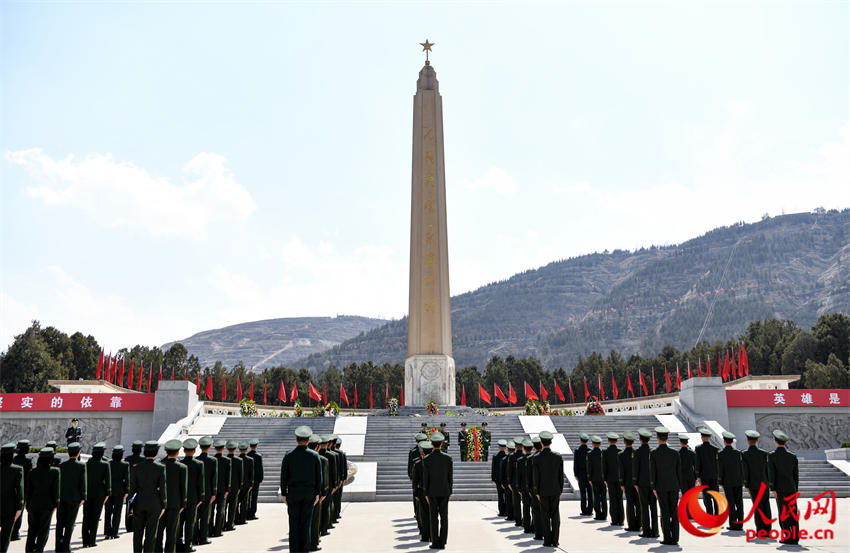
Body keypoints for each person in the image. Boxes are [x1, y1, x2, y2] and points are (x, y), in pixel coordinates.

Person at [280, 425, 321, 553]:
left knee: (293, 524)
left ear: (296, 439)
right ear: (308, 440)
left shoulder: (289, 455)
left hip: (293, 494)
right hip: (309, 494)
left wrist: (284, 493)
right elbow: (318, 476)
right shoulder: (314, 456)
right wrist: (317, 493)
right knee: (306, 524)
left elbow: (284, 476)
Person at [129, 441, 166, 553]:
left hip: (139, 502)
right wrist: (164, 505)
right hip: (155, 503)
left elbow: (132, 489)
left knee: (137, 533)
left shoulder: (136, 468)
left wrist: (130, 505)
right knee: (151, 533)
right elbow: (163, 488)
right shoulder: (160, 468)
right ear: (156, 453)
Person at [25, 448, 60, 553]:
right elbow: (56, 490)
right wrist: (56, 505)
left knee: (32, 530)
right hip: (47, 505)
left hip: (33, 504)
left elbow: (28, 490)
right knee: (43, 530)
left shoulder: (32, 472)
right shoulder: (55, 472)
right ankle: (39, 549)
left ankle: (29, 550)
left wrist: (27, 505)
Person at [768, 429, 799, 545]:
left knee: (783, 512)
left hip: (780, 489)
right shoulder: (792, 456)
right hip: (791, 487)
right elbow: (796, 475)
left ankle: (787, 536)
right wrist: (795, 489)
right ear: (784, 442)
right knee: (793, 513)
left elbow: (772, 474)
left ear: (775, 441)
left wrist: (773, 488)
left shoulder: (772, 456)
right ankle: (795, 537)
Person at [157, 439, 188, 553]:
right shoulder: (182, 467)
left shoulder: (160, 465)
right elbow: (183, 488)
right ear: (178, 452)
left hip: (161, 503)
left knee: (159, 531)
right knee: (172, 531)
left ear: (166, 452)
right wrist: (183, 504)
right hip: (175, 504)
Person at [650, 426, 680, 545]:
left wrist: (653, 487)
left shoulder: (654, 453)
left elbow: (653, 472)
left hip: (660, 486)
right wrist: (679, 486)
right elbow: (678, 471)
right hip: (673, 486)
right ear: (667, 438)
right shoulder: (675, 453)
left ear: (657, 438)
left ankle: (667, 537)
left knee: (664, 512)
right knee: (674, 511)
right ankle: (675, 537)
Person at [422, 431, 452, 550]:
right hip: (445, 491)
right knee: (444, 517)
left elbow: (426, 479)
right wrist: (450, 491)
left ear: (432, 444)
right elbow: (450, 477)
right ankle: (443, 542)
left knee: (433, 518)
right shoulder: (448, 458)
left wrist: (426, 493)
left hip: (432, 492)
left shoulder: (427, 459)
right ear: (441, 444)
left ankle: (435, 542)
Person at [533, 431, 563, 548]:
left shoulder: (536, 458)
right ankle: (555, 540)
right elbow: (560, 476)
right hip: (555, 490)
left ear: (541, 442)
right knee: (555, 515)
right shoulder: (558, 457)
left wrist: (536, 491)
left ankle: (547, 540)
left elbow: (536, 477)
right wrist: (560, 490)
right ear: (551, 442)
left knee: (544, 516)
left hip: (543, 491)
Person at [55, 441, 86, 553]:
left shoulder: (61, 465)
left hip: (62, 497)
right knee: (70, 523)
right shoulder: (81, 466)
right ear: (78, 453)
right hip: (75, 498)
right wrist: (83, 497)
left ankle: (58, 546)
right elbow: (83, 483)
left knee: (60, 522)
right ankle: (66, 547)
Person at [741, 430, 772, 537]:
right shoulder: (764, 454)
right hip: (764, 483)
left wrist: (746, 484)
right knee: (766, 505)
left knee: (758, 506)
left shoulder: (745, 454)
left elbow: (745, 471)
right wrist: (769, 482)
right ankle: (768, 529)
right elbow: (768, 470)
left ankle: (760, 530)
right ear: (757, 440)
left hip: (753, 484)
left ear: (747, 441)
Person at [82, 441, 111, 547]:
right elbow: (108, 481)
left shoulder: (87, 464)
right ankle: (92, 541)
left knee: (86, 517)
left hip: (88, 492)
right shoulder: (105, 465)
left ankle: (85, 541)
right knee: (95, 517)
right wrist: (108, 494)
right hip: (100, 494)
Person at [179, 438, 205, 553]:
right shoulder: (199, 464)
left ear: (184, 451)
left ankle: (178, 543)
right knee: (190, 523)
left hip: (180, 498)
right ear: (195, 451)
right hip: (193, 498)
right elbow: (201, 483)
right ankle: (188, 545)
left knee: (179, 523)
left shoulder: (179, 464)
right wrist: (201, 497)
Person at [632, 428, 658, 538]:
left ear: (640, 439)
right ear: (649, 439)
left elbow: (635, 469)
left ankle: (646, 531)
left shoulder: (637, 452)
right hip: (653, 484)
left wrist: (635, 482)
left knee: (644, 507)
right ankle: (655, 531)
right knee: (653, 507)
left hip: (641, 483)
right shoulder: (653, 451)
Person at [718, 431, 744, 531]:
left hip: (727, 482)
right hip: (737, 481)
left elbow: (721, 469)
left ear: (724, 441)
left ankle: (733, 524)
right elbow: (742, 468)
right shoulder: (738, 453)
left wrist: (720, 482)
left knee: (731, 503)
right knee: (739, 502)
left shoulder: (721, 454)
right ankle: (740, 523)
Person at [0, 442, 24, 553]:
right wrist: (20, 507)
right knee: (5, 535)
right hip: (10, 508)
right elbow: (19, 490)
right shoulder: (17, 470)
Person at [194, 436, 218, 545]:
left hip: (196, 493)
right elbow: (214, 478)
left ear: (199, 447)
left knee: (195, 516)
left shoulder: (196, 460)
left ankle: (194, 537)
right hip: (208, 492)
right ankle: (203, 538)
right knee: (204, 516)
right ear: (209, 447)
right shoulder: (213, 460)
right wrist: (214, 493)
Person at [307, 435, 328, 552]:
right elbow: (322, 478)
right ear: (318, 447)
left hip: (301, 494)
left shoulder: (298, 457)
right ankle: (313, 543)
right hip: (315, 494)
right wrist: (323, 493)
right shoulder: (320, 459)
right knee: (314, 520)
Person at [104, 444, 129, 539]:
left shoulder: (108, 463)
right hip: (120, 490)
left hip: (109, 490)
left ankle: (107, 532)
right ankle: (114, 532)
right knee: (117, 512)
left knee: (108, 512)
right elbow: (127, 479)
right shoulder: (125, 464)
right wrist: (127, 491)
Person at [10, 439, 32, 541]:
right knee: (20, 510)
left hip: (12, 487)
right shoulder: (28, 461)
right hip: (24, 489)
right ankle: (15, 532)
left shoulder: (13, 460)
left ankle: (11, 530)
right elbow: (29, 477)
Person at [694, 427, 720, 515]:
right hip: (714, 476)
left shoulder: (698, 448)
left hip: (704, 476)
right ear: (709, 438)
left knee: (707, 497)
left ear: (702, 437)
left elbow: (698, 463)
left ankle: (709, 514)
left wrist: (697, 475)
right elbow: (717, 464)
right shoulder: (715, 449)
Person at [620, 432, 640, 532]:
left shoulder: (621, 455)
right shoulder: (636, 453)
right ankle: (639, 523)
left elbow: (621, 470)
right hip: (636, 482)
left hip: (627, 483)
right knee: (638, 503)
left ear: (624, 442)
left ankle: (632, 525)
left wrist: (621, 484)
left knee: (630, 504)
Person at [210, 439, 231, 538]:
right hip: (222, 489)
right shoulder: (227, 460)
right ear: (223, 449)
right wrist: (228, 489)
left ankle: (210, 530)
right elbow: (228, 477)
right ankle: (218, 530)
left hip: (212, 489)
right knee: (220, 510)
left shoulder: (212, 460)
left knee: (211, 510)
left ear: (214, 448)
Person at [412, 441, 432, 542]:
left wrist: (415, 493)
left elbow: (415, 482)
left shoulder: (418, 464)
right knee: (433, 515)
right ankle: (433, 536)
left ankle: (425, 536)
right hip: (433, 492)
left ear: (422, 453)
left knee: (424, 515)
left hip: (422, 492)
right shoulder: (435, 464)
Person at [603, 432, 624, 526]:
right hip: (619, 479)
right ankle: (621, 519)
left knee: (612, 499)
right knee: (620, 499)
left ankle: (614, 520)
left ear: (608, 441)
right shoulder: (620, 451)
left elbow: (604, 467)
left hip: (610, 479)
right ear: (617, 441)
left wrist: (605, 479)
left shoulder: (605, 452)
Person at [319, 435, 338, 537]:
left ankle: (318, 528)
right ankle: (324, 528)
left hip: (317, 486)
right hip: (328, 485)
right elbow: (334, 472)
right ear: (328, 444)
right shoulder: (332, 456)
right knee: (326, 507)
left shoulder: (317, 454)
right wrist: (335, 484)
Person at [124, 440, 145, 533]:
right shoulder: (144, 459)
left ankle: (129, 526)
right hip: (141, 486)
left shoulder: (127, 459)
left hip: (130, 486)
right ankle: (139, 524)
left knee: (129, 506)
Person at [587, 435, 606, 521]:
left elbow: (589, 467)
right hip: (603, 478)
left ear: (592, 444)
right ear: (600, 444)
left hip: (594, 478)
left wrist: (589, 478)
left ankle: (598, 514)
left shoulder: (590, 454)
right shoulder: (603, 453)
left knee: (596, 496)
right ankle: (604, 514)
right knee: (604, 497)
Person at [224, 440, 243, 531]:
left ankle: (222, 524)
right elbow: (241, 475)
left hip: (224, 487)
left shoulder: (224, 460)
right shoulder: (239, 460)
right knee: (232, 507)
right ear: (235, 449)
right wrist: (240, 487)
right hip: (235, 486)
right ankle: (230, 524)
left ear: (227, 449)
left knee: (224, 507)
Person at [508, 435, 525, 527]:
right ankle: (526, 520)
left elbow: (509, 471)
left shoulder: (512, 457)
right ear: (522, 446)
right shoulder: (525, 456)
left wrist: (509, 482)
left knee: (516, 503)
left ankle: (518, 520)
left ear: (515, 446)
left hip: (514, 482)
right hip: (524, 482)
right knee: (526, 503)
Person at [409, 433, 427, 521]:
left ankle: (417, 512)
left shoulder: (412, 451)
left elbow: (410, 466)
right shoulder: (428, 450)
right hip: (426, 478)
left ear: (416, 441)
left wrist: (411, 477)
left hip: (416, 477)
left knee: (416, 495)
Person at [573, 433, 592, 516]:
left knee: (583, 492)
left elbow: (575, 463)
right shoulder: (590, 450)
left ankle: (584, 510)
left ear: (580, 441)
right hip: (589, 474)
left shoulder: (577, 451)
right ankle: (590, 510)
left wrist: (575, 474)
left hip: (581, 473)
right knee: (590, 492)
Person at [237, 442, 254, 525]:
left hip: (238, 484)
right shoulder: (250, 460)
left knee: (236, 502)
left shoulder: (237, 459)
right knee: (244, 502)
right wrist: (251, 484)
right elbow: (251, 473)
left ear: (239, 450)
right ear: (247, 450)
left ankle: (236, 518)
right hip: (247, 484)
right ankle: (242, 519)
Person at [247, 438, 263, 520]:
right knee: (254, 497)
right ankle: (252, 513)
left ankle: (246, 512)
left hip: (248, 479)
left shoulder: (247, 455)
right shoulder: (258, 456)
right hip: (256, 479)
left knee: (247, 497)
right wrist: (261, 479)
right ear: (256, 446)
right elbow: (260, 468)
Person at [491, 440, 508, 516]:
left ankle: (501, 511)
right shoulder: (507, 456)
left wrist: (493, 478)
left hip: (498, 479)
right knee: (507, 495)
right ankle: (507, 511)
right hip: (506, 479)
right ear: (505, 448)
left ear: (499, 447)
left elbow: (493, 468)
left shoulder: (495, 456)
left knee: (500, 495)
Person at [501, 441, 515, 521]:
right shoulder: (517, 458)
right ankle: (516, 515)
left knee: (508, 499)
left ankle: (510, 515)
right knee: (516, 500)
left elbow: (502, 472)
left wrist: (502, 482)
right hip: (516, 482)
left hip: (507, 482)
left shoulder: (504, 459)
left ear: (508, 450)